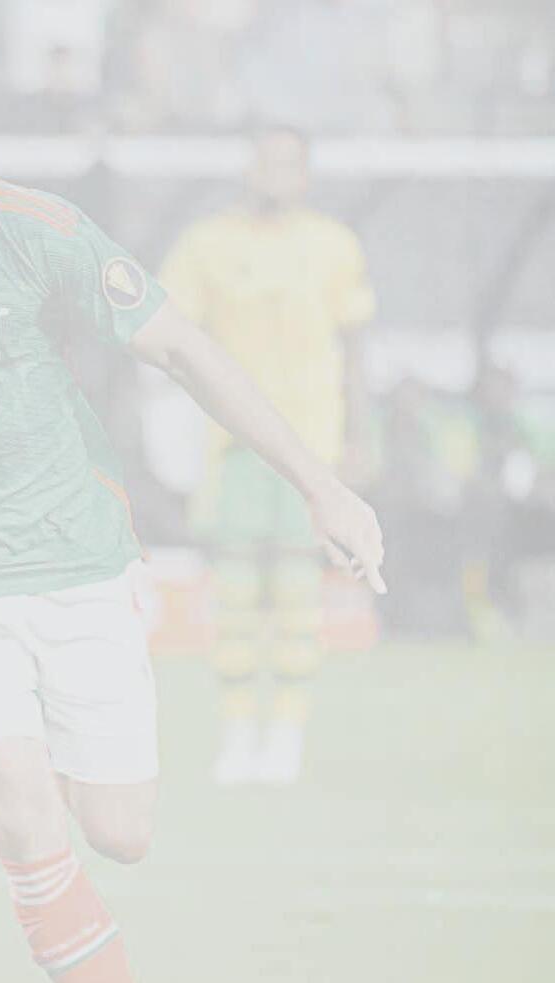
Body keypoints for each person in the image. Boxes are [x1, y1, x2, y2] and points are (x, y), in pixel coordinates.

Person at [0, 74, 384, 983]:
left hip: (76, 563)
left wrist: (320, 486)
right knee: (16, 798)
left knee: (119, 832)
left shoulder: (20, 229)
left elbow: (183, 350)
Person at [161, 126, 377, 784]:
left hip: (311, 445)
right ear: (247, 168)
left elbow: (356, 348)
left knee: (295, 590)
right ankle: (236, 733)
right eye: (266, 161)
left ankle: (284, 733)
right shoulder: (205, 244)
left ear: (305, 174)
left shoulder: (334, 245)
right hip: (232, 445)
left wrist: (358, 438)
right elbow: (170, 338)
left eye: (289, 164)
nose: (276, 174)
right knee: (233, 592)